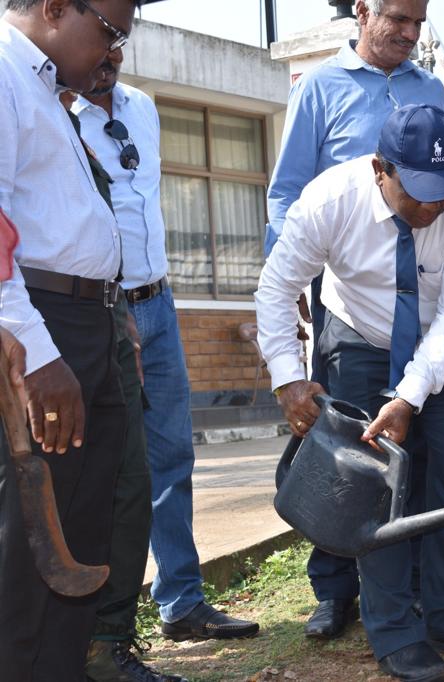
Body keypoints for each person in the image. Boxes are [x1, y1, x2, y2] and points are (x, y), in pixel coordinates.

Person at [256, 104, 444, 682]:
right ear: (381, 169)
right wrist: (287, 376)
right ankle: (395, 632)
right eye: (420, 192)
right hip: (361, 335)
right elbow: (276, 287)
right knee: (375, 484)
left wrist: (409, 397)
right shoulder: (329, 201)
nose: (435, 206)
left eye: (443, 191)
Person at [265, 0, 444, 641]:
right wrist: (290, 282)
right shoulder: (320, 87)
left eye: (418, 21)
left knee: (413, 442)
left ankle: (413, 587)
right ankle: (333, 589)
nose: (408, 32)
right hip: (340, 285)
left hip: (414, 294)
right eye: (396, 17)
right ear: (363, 10)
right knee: (341, 438)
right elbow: (288, 189)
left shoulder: (431, 88)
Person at [74, 53, 258, 677]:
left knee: (173, 457)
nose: (106, 57)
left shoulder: (144, 109)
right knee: (115, 472)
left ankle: (181, 601)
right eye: (98, 39)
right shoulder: (56, 114)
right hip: (103, 311)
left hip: (158, 301)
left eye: (117, 41)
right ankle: (100, 628)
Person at [0, 1, 139, 677]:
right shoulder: (1, 71)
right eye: (111, 31)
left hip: (88, 322)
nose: (116, 50)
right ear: (55, 6)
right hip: (42, 324)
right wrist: (40, 352)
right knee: (35, 536)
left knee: (82, 526)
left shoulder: (44, 86)